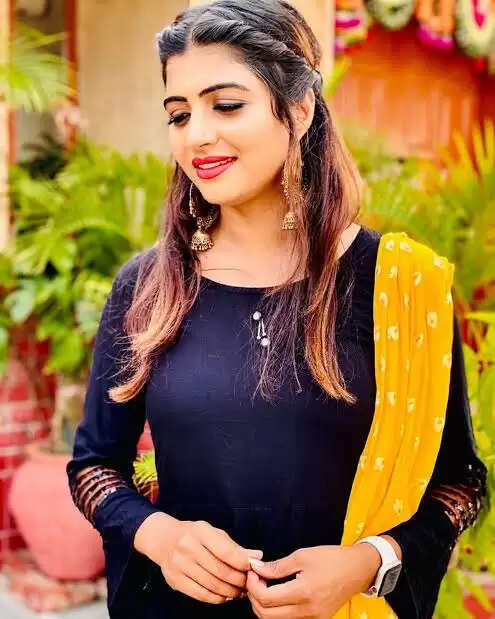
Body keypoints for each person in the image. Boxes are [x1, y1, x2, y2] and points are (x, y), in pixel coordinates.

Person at [66, 1, 487, 617]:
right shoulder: (148, 287)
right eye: (179, 114)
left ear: (300, 108)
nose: (197, 135)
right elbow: (94, 467)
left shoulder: (399, 287)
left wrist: (367, 563)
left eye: (226, 105)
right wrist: (161, 537)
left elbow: (460, 483)